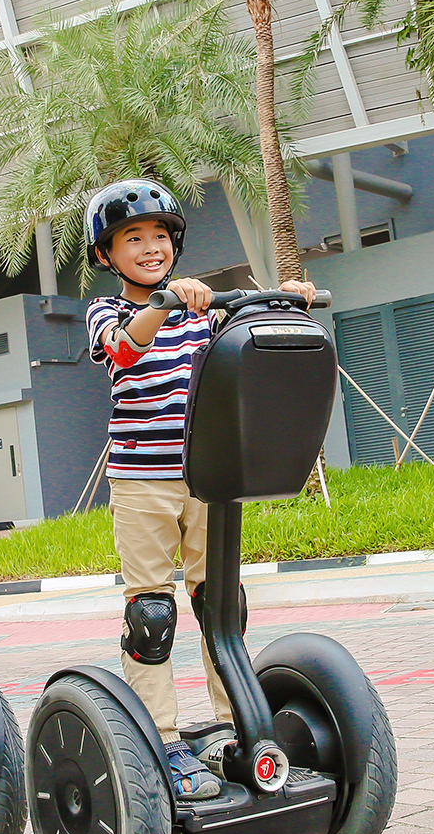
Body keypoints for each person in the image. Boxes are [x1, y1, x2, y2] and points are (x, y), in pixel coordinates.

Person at [82, 179, 316, 799]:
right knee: (151, 612)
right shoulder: (106, 312)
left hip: (206, 476)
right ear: (106, 254)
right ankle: (157, 738)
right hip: (142, 482)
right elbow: (125, 349)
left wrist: (287, 301)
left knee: (221, 604)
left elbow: (250, 331)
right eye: (133, 239)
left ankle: (231, 725)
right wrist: (166, 304)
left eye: (160, 236)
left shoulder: (204, 314)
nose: (151, 247)